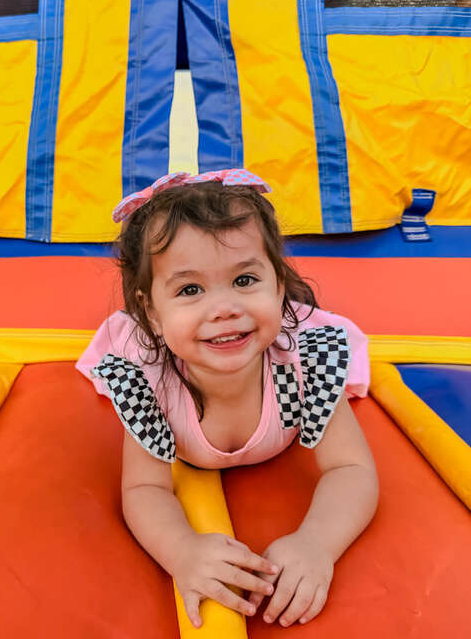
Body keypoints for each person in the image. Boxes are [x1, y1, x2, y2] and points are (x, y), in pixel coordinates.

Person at [76, 168, 379, 629]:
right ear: (152, 314)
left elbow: (351, 468)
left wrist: (318, 543)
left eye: (244, 281)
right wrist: (183, 551)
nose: (224, 309)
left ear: (278, 285)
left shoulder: (308, 363)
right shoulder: (148, 383)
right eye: (190, 290)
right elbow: (144, 489)